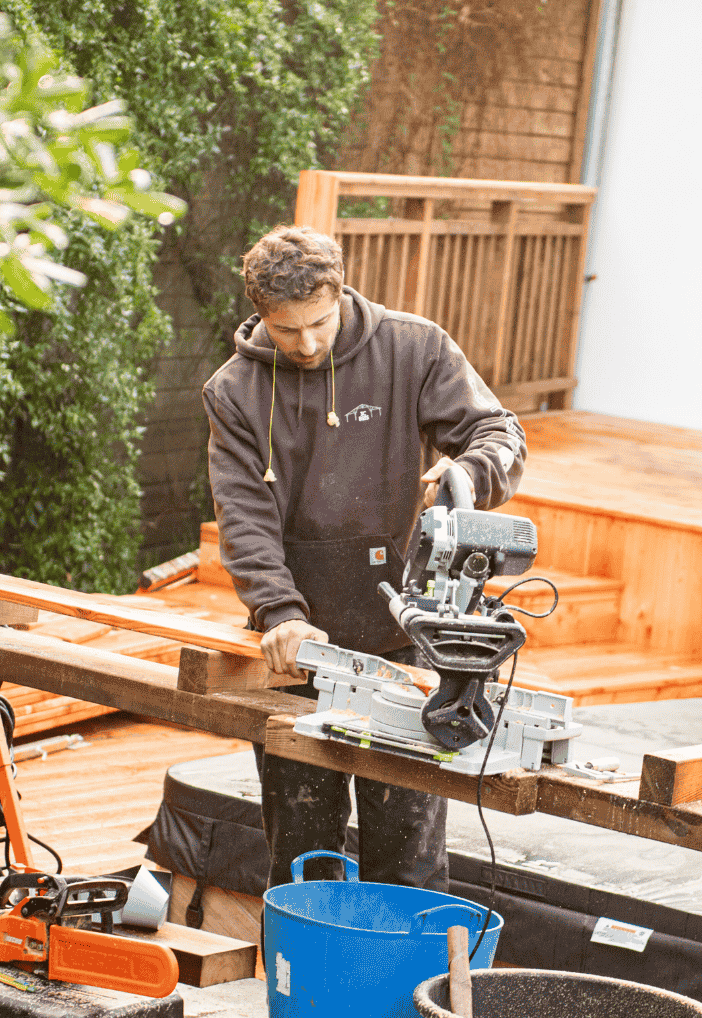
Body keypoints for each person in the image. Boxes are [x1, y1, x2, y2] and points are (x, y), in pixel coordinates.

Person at [203, 225, 527, 891]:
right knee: (301, 860)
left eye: (319, 323)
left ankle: (407, 994)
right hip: (295, 648)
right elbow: (244, 516)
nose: (308, 343)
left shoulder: (413, 348)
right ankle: (304, 992)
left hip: (404, 639)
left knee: (406, 859)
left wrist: (467, 475)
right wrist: (278, 612)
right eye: (286, 330)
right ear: (261, 315)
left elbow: (498, 431)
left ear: (341, 292)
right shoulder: (234, 391)